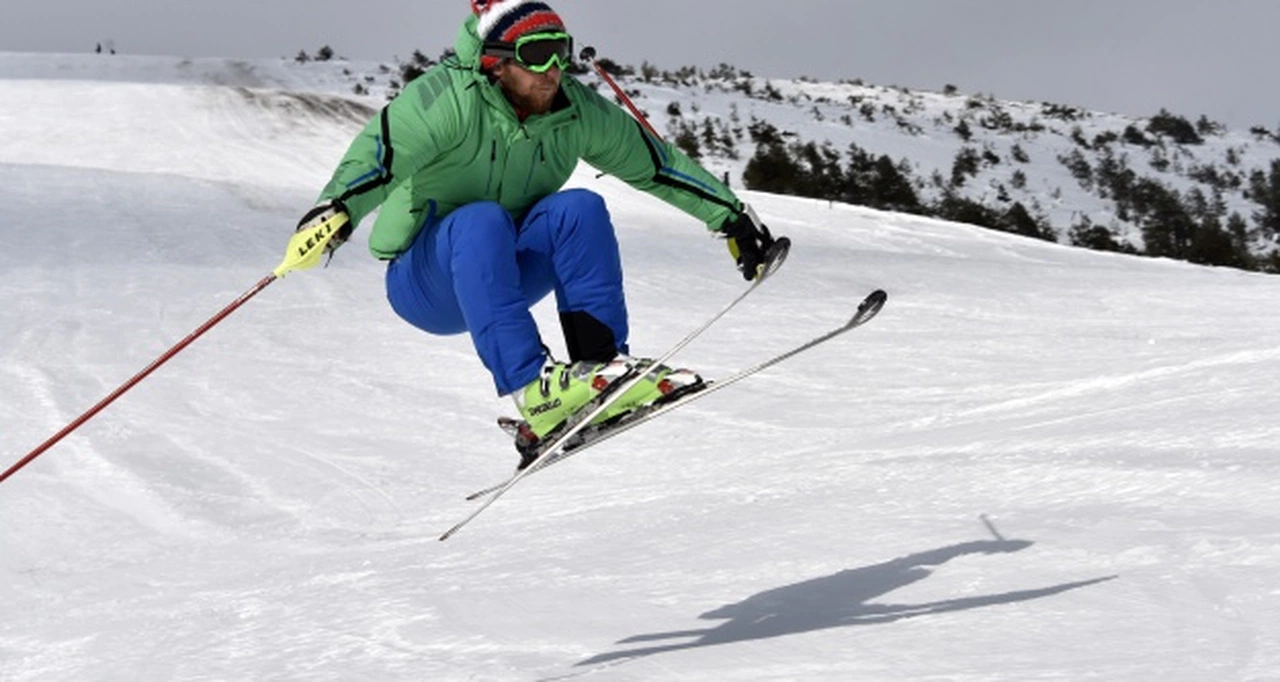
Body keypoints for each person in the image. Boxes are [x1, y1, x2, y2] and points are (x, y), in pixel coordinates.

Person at [293, 0, 778, 463]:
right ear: (496, 62)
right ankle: (532, 390)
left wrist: (731, 217)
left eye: (560, 52)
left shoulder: (574, 109)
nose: (553, 70)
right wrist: (336, 211)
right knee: (480, 219)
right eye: (536, 54)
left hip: (507, 268)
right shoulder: (448, 100)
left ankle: (601, 370)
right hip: (427, 282)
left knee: (579, 209)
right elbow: (380, 154)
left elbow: (656, 165)